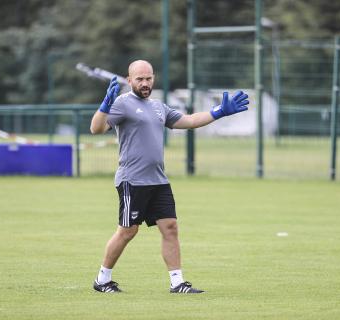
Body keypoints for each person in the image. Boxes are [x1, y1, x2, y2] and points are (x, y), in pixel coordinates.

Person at [90, 60, 249, 294]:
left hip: (158, 180)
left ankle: (177, 283)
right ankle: (102, 280)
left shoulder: (158, 107)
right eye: (140, 79)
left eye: (149, 78)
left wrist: (219, 112)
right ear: (130, 79)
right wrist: (104, 106)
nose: (145, 83)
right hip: (132, 180)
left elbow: (190, 121)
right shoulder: (122, 103)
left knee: (170, 227)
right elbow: (96, 129)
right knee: (128, 231)